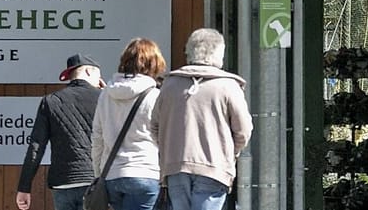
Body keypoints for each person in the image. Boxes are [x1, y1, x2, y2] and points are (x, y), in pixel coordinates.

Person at [152, 28, 252, 210]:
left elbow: (154, 126)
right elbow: (244, 130)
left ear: (189, 52)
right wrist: (229, 151)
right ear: (219, 53)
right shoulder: (228, 86)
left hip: (176, 165)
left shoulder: (169, 84)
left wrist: (169, 148)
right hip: (214, 166)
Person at [16, 53, 105, 210]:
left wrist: (24, 187)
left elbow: (36, 147)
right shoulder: (104, 99)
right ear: (89, 72)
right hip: (94, 180)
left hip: (62, 182)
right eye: (99, 74)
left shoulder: (50, 101)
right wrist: (108, 94)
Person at [93, 38, 167, 210]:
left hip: (111, 174)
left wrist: (98, 175)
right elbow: (164, 140)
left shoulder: (106, 95)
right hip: (145, 172)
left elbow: (97, 138)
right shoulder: (155, 96)